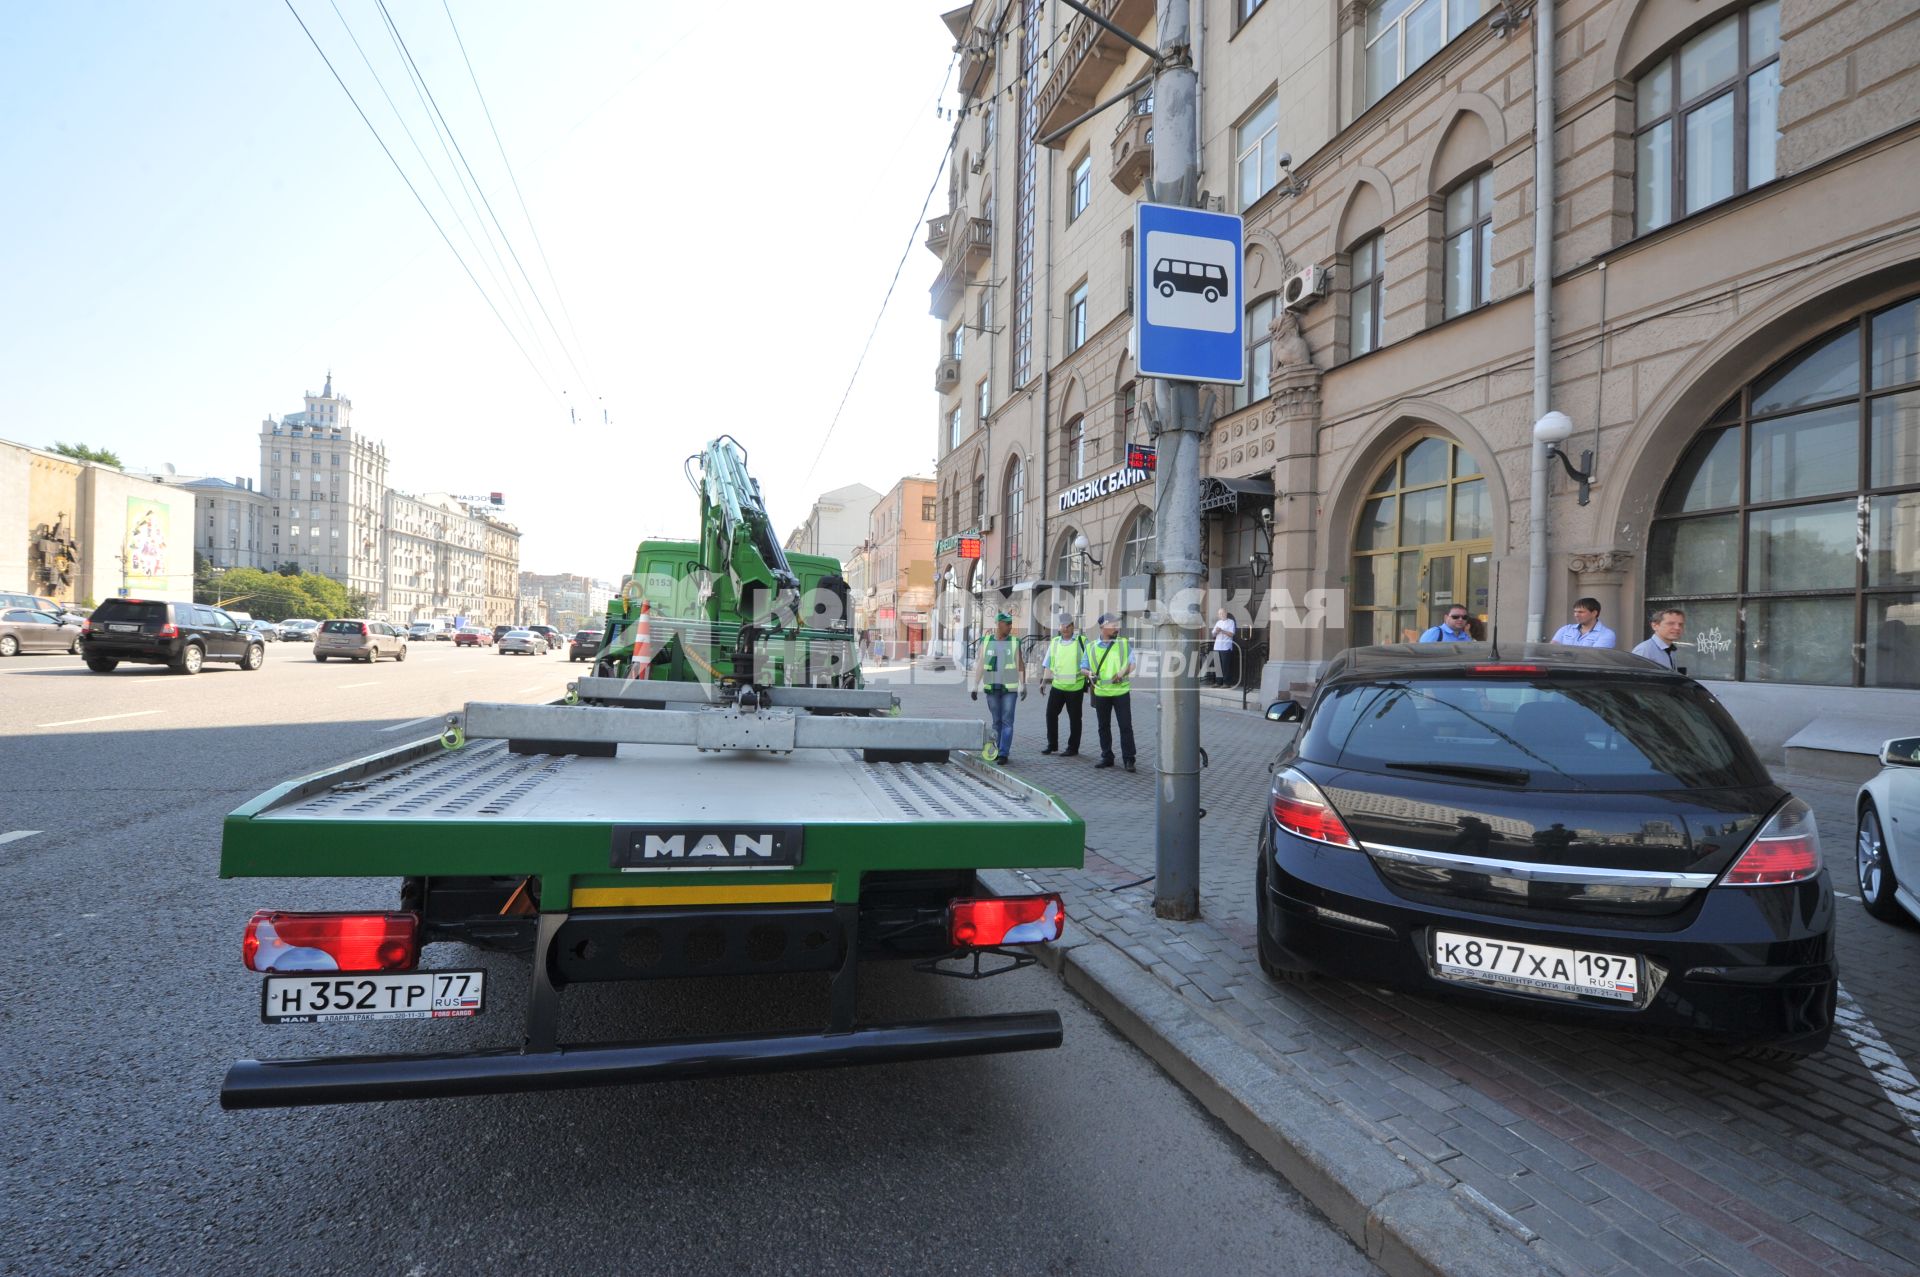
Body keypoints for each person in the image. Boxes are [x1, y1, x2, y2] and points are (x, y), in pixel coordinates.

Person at [968, 611, 1026, 763]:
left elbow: (1020, 664)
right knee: (996, 721)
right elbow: (981, 664)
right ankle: (997, 748)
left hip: (1010, 689)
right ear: (999, 624)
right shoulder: (986, 641)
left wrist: (1023, 684)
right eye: (1008, 624)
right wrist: (975, 685)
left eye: (1011, 624)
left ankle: (1003, 753)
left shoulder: (1014, 642)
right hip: (992, 688)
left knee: (1007, 721)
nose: (1010, 627)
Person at [1088, 613, 1137, 771]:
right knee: (1103, 727)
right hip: (1101, 692)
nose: (1117, 628)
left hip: (1121, 692)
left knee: (1125, 726)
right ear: (1103, 627)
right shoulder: (1091, 647)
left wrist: (1122, 673)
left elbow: (1133, 663)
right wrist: (1088, 674)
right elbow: (1083, 667)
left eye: (1117, 625)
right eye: (1113, 625)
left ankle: (1129, 759)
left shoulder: (1123, 643)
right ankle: (1107, 756)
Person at [1040, 612, 1090, 756]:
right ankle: (1052, 744)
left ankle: (1073, 748)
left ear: (1073, 626)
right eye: (1063, 625)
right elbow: (1048, 664)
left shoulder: (1082, 641)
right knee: (1050, 714)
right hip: (1057, 686)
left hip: (1075, 687)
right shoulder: (1055, 642)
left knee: (1074, 718)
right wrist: (1044, 682)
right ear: (1059, 627)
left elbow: (1090, 663)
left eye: (1069, 625)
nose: (1066, 628)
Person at [1550, 597, 1616, 648]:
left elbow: (1594, 657)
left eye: (1581, 612)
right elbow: (1552, 650)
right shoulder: (1566, 629)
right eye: (1575, 612)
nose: (1576, 615)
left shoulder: (1606, 634)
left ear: (1594, 613)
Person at [1209, 608, 1238, 687]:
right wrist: (1216, 632)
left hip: (1226, 646)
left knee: (1225, 666)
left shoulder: (1231, 622)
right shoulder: (1218, 622)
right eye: (1220, 613)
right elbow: (1213, 635)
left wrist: (1222, 631)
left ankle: (1226, 683)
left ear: (1226, 613)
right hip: (1217, 646)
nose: (1221, 615)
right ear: (1218, 615)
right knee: (1218, 666)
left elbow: (1232, 634)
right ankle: (1218, 682)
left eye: (1222, 613)